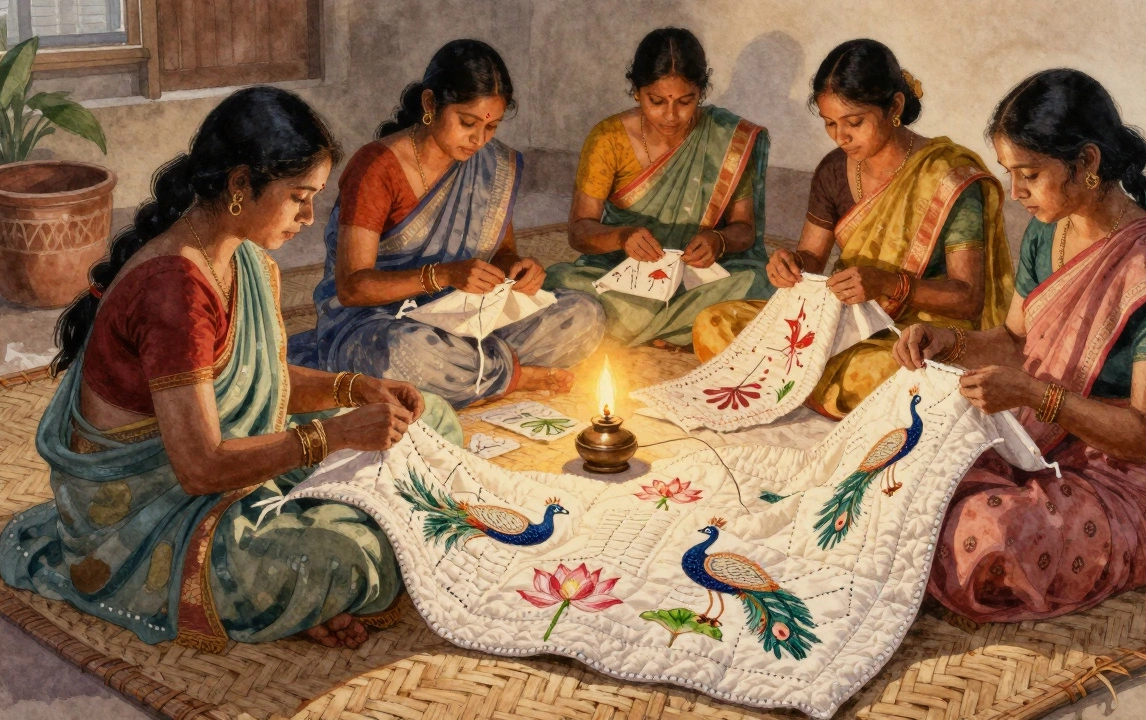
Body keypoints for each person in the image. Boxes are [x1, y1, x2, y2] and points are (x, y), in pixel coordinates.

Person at [0, 87, 461, 651]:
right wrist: (335, 434)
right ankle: (285, 584)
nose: (310, 218)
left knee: (429, 417)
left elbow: (259, 382)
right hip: (148, 515)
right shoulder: (173, 290)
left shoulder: (244, 259)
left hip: (223, 469)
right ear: (241, 184)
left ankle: (295, 575)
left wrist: (357, 388)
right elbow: (199, 466)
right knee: (354, 558)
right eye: (298, 197)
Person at [896, 69, 1146, 623]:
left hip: (1134, 484)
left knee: (982, 533)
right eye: (1010, 174)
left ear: (1088, 163)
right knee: (909, 473)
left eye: (1029, 174)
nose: (1015, 192)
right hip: (1045, 442)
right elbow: (1011, 339)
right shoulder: (1045, 231)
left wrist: (1034, 393)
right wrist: (948, 341)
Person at [693, 39, 1014, 419]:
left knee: (884, 374)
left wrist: (888, 284)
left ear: (894, 107)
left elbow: (968, 298)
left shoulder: (947, 178)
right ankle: (816, 389)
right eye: (830, 124)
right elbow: (812, 256)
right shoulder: (833, 169)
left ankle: (793, 386)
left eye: (854, 122)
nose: (840, 136)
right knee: (713, 324)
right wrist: (791, 262)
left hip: (918, 332)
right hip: (844, 320)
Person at [288, 40, 605, 408]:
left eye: (492, 127)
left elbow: (501, 251)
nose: (479, 139)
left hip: (464, 315)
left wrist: (516, 271)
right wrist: (442, 275)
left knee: (584, 315)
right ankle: (511, 376)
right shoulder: (377, 167)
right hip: (380, 323)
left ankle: (474, 371)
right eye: (467, 123)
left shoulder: (492, 165)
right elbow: (353, 288)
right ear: (430, 105)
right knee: (400, 353)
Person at [544, 27, 772, 349]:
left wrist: (718, 240)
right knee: (558, 282)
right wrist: (622, 238)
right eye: (656, 101)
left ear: (701, 93)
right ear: (637, 91)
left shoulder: (727, 138)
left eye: (685, 101)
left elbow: (744, 229)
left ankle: (638, 327)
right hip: (625, 271)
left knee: (760, 284)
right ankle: (686, 328)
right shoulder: (608, 138)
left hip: (702, 273)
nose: (670, 115)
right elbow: (580, 231)